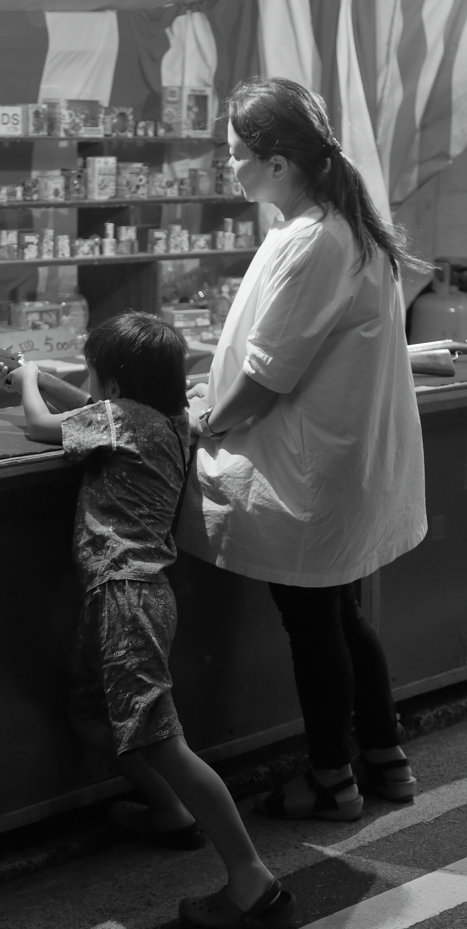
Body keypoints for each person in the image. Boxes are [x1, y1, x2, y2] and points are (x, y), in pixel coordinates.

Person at [0, 311, 295, 929]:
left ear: (113, 383)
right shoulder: (170, 420)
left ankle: (253, 881)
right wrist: (35, 375)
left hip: (124, 596)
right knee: (90, 713)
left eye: (93, 373)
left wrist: (27, 382)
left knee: (162, 742)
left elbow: (42, 426)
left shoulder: (121, 418)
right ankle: (171, 814)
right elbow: (89, 408)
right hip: (126, 593)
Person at [176, 77, 428, 823]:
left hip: (308, 471)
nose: (228, 166)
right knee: (341, 614)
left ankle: (330, 781)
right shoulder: (331, 225)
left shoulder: (316, 238)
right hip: (333, 466)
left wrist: (205, 422)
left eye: (235, 153)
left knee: (314, 625)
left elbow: (265, 377)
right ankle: (384, 758)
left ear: (277, 163)